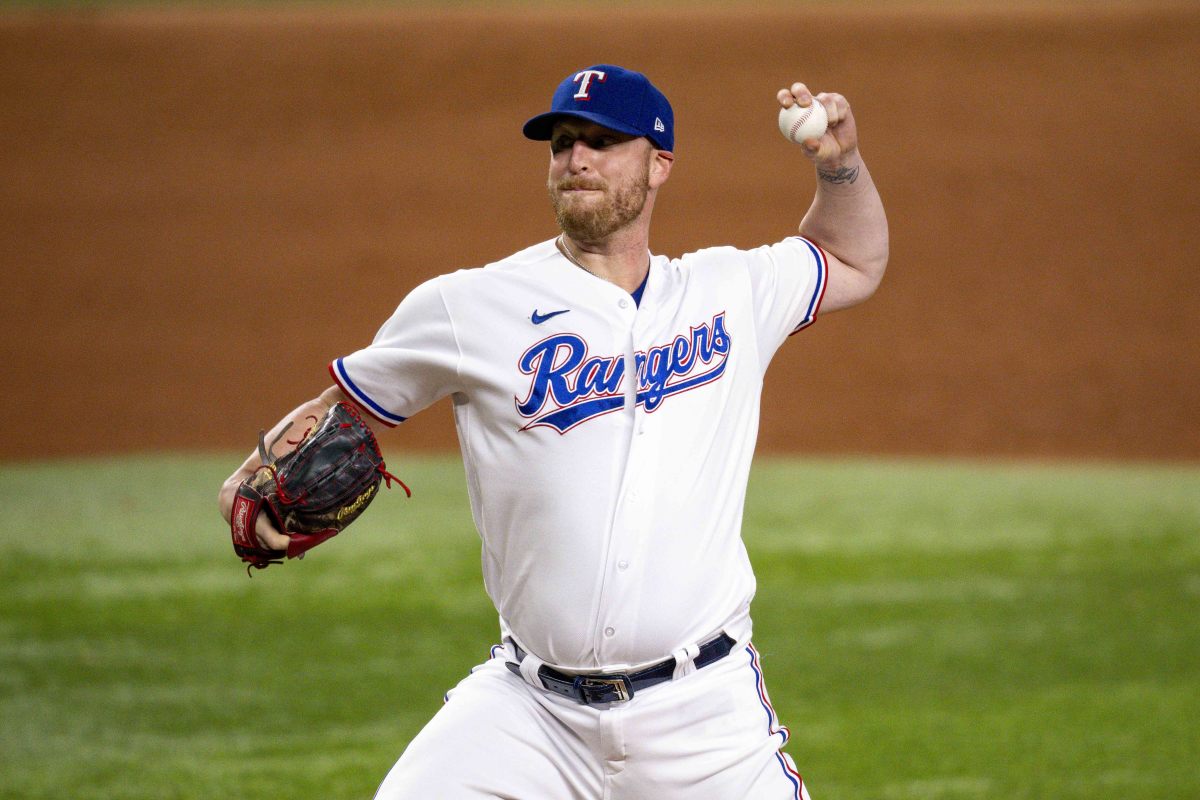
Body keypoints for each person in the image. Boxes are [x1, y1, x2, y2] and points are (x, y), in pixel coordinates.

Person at [219, 64, 887, 799]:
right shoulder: (468, 305)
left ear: (659, 163)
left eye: (603, 142)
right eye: (563, 141)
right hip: (528, 715)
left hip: (704, 715)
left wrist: (840, 165)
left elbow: (853, 259)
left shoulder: (728, 292)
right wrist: (251, 473)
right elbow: (345, 408)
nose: (577, 159)